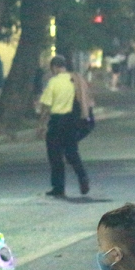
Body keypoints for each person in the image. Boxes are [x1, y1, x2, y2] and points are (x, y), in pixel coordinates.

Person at [38, 55, 89, 197]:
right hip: (71, 121)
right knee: (72, 152)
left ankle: (59, 188)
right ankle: (83, 177)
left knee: (55, 156)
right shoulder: (74, 79)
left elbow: (46, 105)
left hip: (56, 121)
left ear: (54, 67)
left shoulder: (53, 82)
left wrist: (41, 124)